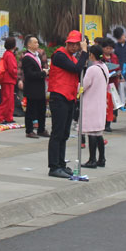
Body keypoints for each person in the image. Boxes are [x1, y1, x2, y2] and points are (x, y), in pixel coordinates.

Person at [47, 31, 87, 179]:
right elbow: (77, 69)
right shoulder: (59, 55)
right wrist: (84, 52)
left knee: (64, 133)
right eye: (72, 43)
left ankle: (61, 164)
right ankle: (54, 166)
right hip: (59, 97)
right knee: (57, 133)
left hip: (69, 97)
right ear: (67, 42)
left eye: (77, 44)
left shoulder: (71, 57)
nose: (74, 46)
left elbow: (80, 69)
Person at [80, 45, 109, 168]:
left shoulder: (92, 69)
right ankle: (101, 159)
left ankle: (92, 160)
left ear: (91, 55)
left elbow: (84, 85)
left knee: (91, 132)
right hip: (101, 103)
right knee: (98, 133)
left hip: (91, 103)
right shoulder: (104, 67)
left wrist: (76, 87)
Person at [21, 36, 48, 138]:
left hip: (40, 88)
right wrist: (42, 73)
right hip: (32, 88)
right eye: (35, 43)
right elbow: (29, 74)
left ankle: (41, 129)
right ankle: (29, 130)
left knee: (42, 109)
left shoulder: (37, 55)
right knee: (31, 110)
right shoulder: (27, 58)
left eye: (37, 42)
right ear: (29, 44)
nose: (37, 44)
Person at [0, 37, 19, 124]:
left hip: (7, 80)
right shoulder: (10, 55)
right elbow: (12, 69)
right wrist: (16, 75)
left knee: (9, 99)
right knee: (7, 99)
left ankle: (8, 117)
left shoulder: (7, 54)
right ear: (14, 45)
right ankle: (0, 117)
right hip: (8, 80)